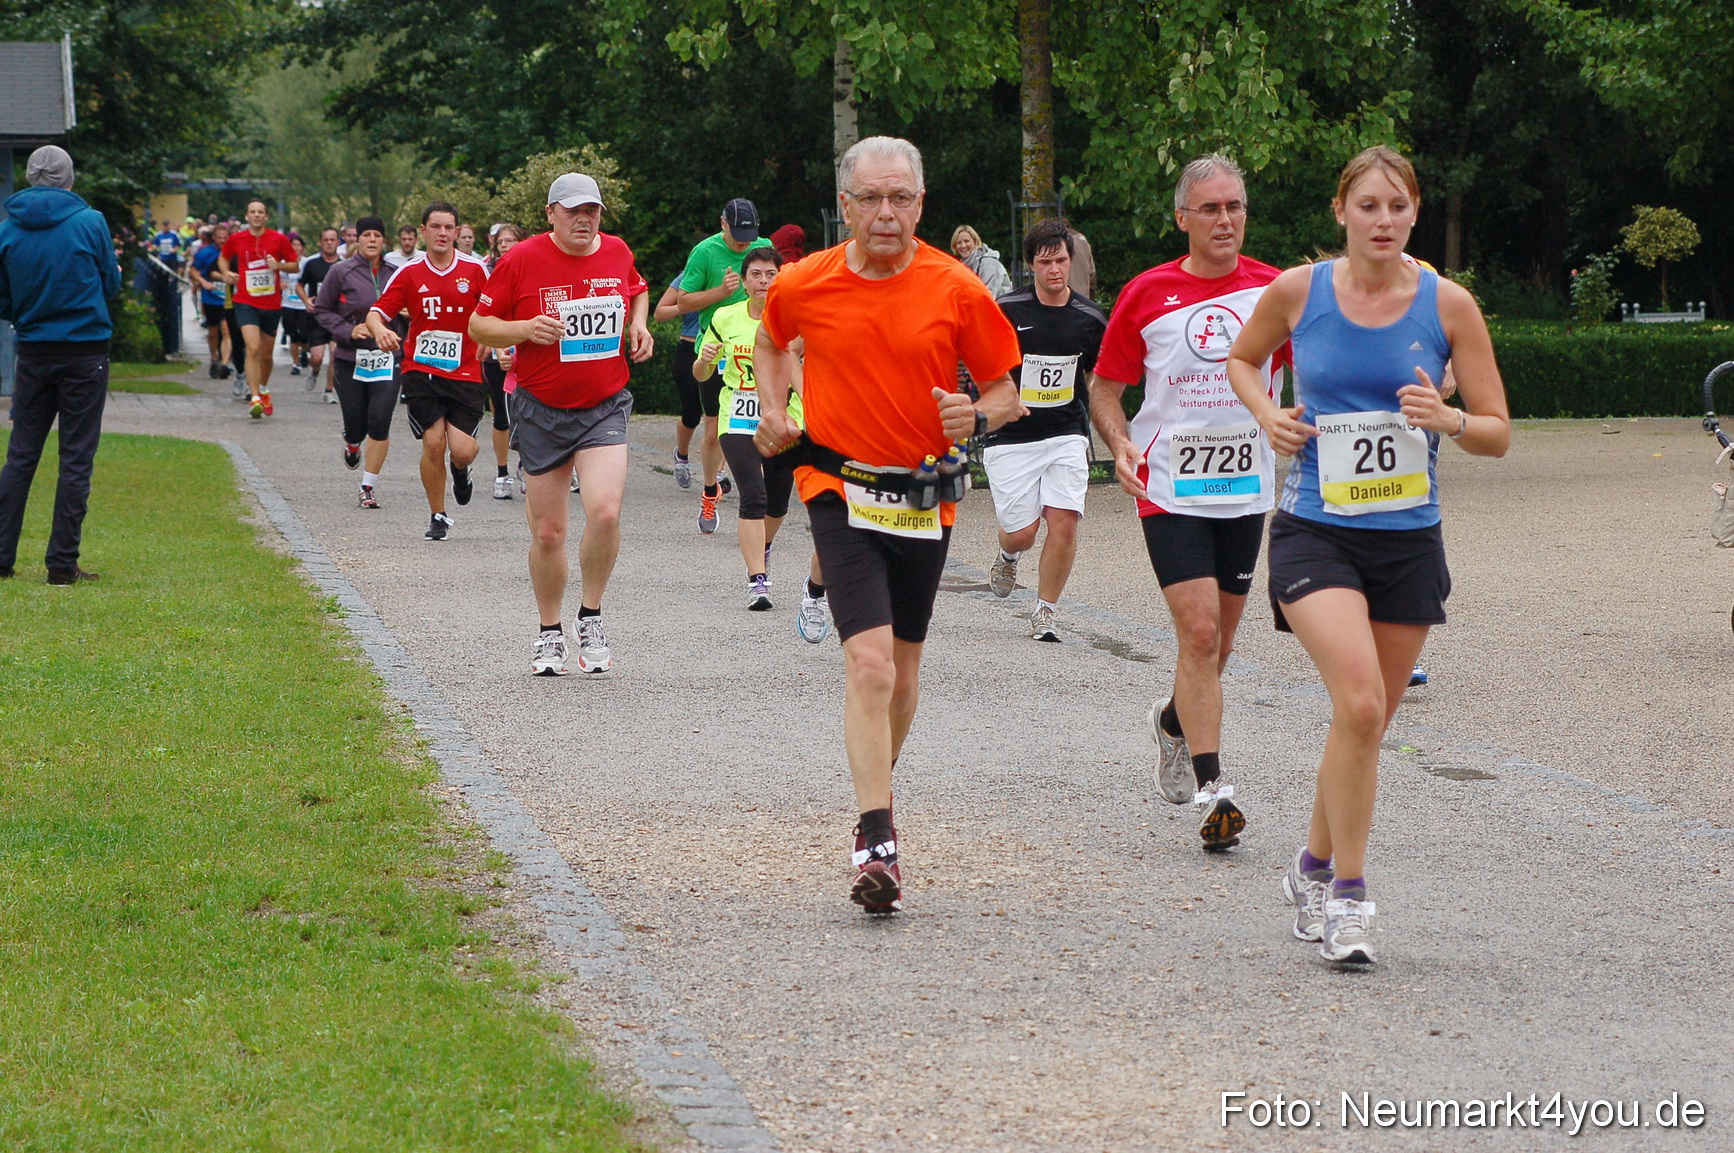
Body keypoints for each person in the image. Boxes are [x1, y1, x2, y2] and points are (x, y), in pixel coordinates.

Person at [1225, 145, 1510, 964]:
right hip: (1318, 526)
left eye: (1398, 206)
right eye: (1369, 206)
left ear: (1415, 212)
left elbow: (1496, 430)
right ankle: (1349, 897)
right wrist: (1268, 414)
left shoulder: (1450, 306)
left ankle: (1311, 867)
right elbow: (1243, 359)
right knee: (1357, 704)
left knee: (1369, 720)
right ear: (1340, 210)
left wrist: (1449, 420)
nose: (1383, 220)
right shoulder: (1297, 292)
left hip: (1408, 537)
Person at [753, 136, 1025, 913]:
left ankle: (876, 780)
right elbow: (773, 338)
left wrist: (976, 411)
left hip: (922, 493)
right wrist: (776, 410)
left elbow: (1009, 395)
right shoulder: (807, 282)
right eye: (868, 198)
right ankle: (879, 838)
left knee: (903, 671)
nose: (884, 213)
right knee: (869, 667)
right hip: (837, 482)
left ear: (920, 205)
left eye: (899, 198)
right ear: (845, 206)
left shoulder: (956, 287)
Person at [1089, 153, 1285, 854]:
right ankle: (1214, 789)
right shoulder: (1146, 293)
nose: (1226, 219)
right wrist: (1119, 443)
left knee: (1221, 645)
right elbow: (1106, 387)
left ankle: (1172, 723)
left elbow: (1324, 364)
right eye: (1211, 208)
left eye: (1234, 206)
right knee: (1199, 634)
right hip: (1170, 486)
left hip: (1245, 486)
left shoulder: (1275, 288)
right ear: (1183, 218)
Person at [469, 172, 653, 676]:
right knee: (548, 533)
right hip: (540, 409)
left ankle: (590, 616)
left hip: (604, 405)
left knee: (606, 512)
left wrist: (638, 323)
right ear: (551, 213)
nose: (584, 219)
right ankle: (549, 633)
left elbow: (637, 289)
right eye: (573, 210)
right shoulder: (521, 260)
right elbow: (478, 326)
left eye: (591, 210)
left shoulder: (616, 251)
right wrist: (524, 329)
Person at [0, 145, 122, 585]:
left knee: (21, 455)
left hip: (33, 350)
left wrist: (25, 313)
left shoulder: (8, 229)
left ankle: (1, 555)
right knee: (75, 458)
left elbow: (3, 296)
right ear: (68, 179)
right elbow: (110, 282)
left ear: (31, 178)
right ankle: (61, 564)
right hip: (85, 351)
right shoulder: (90, 222)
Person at [982, 218, 1107, 642]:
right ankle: (1007, 554)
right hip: (1013, 435)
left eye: (1061, 260)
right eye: (1045, 262)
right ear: (1031, 265)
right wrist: (1005, 399)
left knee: (1064, 522)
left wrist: (1099, 411)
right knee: (1022, 533)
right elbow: (982, 369)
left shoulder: (1089, 318)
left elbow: (1098, 375)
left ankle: (1045, 611)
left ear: (1071, 262)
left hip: (1066, 431)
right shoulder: (1007, 310)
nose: (1055, 270)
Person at [693, 245, 826, 627]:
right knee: (753, 493)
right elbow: (701, 373)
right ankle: (757, 581)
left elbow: (807, 368)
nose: (763, 281)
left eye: (771, 274)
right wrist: (705, 359)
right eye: (756, 274)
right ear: (744, 279)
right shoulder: (725, 316)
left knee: (779, 502)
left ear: (780, 279)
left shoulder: (796, 320)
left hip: (786, 417)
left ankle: (762, 548)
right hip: (738, 416)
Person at [365, 201, 490, 542]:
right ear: (423, 232)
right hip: (422, 370)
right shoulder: (408, 273)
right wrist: (380, 330)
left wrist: (492, 340)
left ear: (457, 232)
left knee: (462, 450)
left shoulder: (476, 269)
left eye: (449, 227)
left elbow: (498, 311)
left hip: (465, 371)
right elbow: (376, 312)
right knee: (434, 443)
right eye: (436, 226)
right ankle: (438, 514)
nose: (443, 233)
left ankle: (461, 470)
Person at [677, 198, 770, 530]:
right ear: (722, 224)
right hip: (717, 347)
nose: (745, 242)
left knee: (760, 427)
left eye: (750, 233)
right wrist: (720, 291)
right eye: (737, 235)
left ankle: (755, 501)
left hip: (757, 346)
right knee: (714, 430)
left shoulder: (763, 247)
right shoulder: (705, 252)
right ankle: (709, 490)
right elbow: (682, 301)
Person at [313, 216, 403, 508]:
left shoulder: (397, 273)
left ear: (384, 241)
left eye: (378, 235)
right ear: (356, 239)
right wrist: (348, 330)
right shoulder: (341, 272)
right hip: (351, 358)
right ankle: (352, 443)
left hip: (388, 357)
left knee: (380, 419)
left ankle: (368, 486)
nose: (372, 240)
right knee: (356, 423)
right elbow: (322, 310)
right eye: (367, 235)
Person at [218, 198, 299, 417]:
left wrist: (279, 265)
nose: (256, 215)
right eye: (252, 212)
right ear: (246, 216)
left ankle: (263, 389)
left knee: (266, 355)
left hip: (271, 304)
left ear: (266, 216)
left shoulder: (278, 239)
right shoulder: (237, 239)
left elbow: (294, 265)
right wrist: (226, 273)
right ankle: (253, 397)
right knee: (252, 348)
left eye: (260, 212)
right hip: (245, 301)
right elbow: (223, 258)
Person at [481, 223, 523, 498]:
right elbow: (480, 313)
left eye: (512, 240)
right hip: (497, 349)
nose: (506, 245)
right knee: (501, 415)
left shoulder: (536, 270)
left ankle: (530, 467)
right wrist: (489, 341)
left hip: (528, 349)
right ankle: (502, 473)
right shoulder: (485, 272)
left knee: (532, 414)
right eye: (502, 242)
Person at [652, 273, 704, 489]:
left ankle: (718, 473)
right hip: (690, 348)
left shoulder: (739, 275)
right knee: (692, 413)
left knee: (721, 415)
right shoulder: (689, 277)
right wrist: (685, 305)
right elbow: (659, 313)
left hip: (724, 349)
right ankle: (682, 456)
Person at [298, 227, 343, 404]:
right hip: (316, 316)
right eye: (326, 240)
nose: (330, 243)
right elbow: (299, 285)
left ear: (338, 242)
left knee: (334, 353)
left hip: (337, 317)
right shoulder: (312, 264)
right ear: (320, 242)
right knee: (316, 357)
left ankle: (328, 390)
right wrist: (306, 300)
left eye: (333, 240)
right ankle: (314, 371)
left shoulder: (344, 264)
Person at [191, 222, 233, 379]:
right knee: (213, 332)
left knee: (227, 330)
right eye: (219, 237)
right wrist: (203, 282)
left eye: (225, 237)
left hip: (229, 299)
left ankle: (224, 363)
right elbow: (193, 270)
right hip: (211, 298)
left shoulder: (233, 253)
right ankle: (214, 358)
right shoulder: (205, 253)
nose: (222, 240)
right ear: (214, 238)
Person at [950, 225, 1012, 298]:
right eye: (959, 243)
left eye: (967, 241)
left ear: (975, 242)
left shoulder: (988, 263)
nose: (963, 246)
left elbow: (988, 296)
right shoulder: (962, 266)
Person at [280, 233, 311, 379]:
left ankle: (304, 351)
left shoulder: (307, 262)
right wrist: (280, 285)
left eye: (298, 245)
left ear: (303, 248)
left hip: (303, 304)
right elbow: (276, 279)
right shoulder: (283, 263)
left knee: (304, 335)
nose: (296, 248)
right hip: (288, 304)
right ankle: (296, 364)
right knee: (293, 335)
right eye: (293, 245)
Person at [1066, 225, 1096, 299]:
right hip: (1083, 299)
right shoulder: (1082, 239)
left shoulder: (1056, 241)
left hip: (1064, 300)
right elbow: (1092, 274)